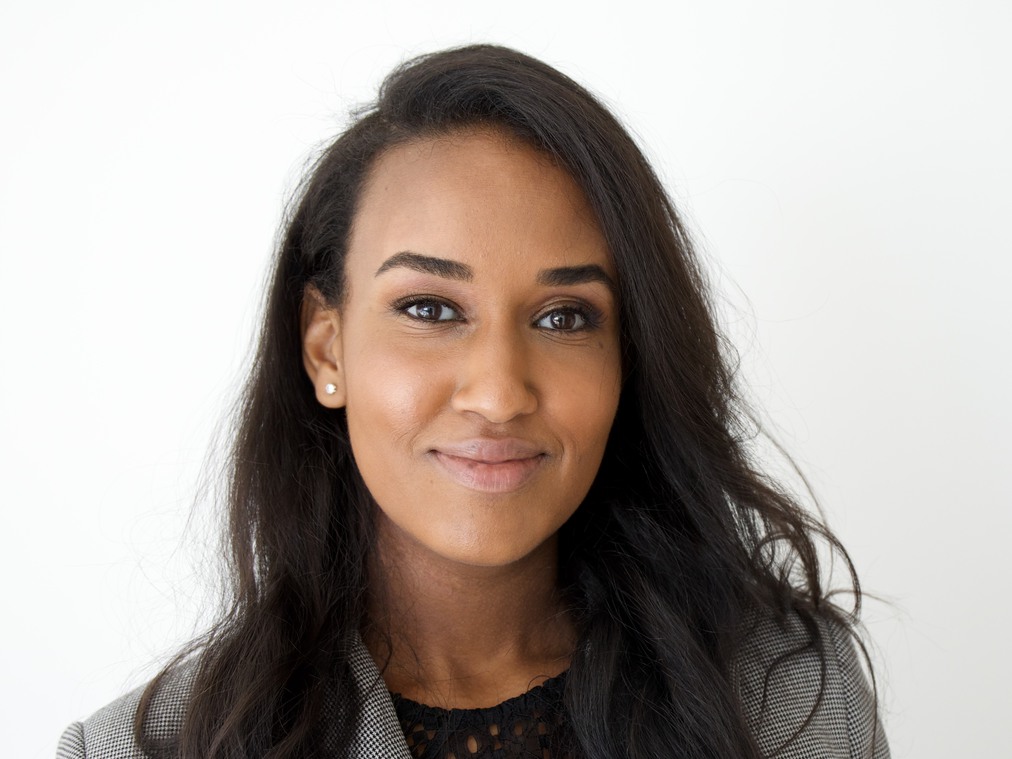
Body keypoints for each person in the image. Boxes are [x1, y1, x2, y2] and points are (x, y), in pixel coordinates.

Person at [57, 44, 888, 759]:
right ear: (325, 347)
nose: (497, 393)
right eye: (429, 308)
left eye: (565, 317)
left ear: (627, 359)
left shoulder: (794, 704)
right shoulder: (143, 748)